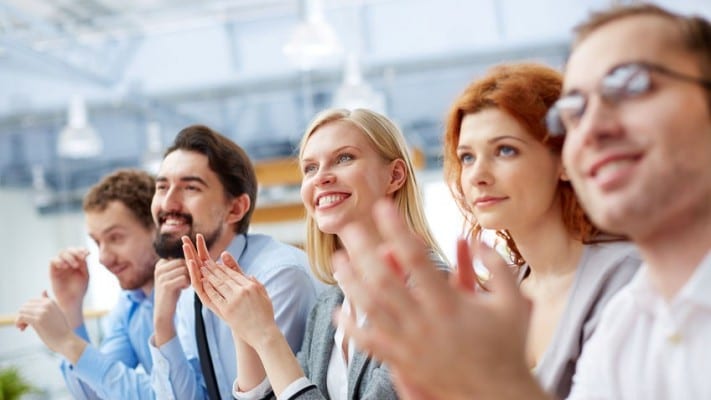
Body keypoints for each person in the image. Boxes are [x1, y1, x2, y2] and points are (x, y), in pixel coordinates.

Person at [333, 4, 711, 400]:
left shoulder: (623, 281)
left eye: (633, 86)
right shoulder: (636, 312)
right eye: (576, 110)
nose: (592, 127)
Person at [183, 108, 448, 400]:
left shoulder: (432, 289)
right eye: (310, 168)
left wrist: (266, 336)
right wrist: (242, 327)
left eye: (344, 158)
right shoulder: (329, 306)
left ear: (395, 175)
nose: (321, 177)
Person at [441, 62, 640, 398]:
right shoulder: (500, 294)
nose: (477, 175)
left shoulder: (629, 277)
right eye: (467, 157)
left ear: (566, 159)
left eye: (505, 150)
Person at [148, 125, 321, 400]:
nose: (168, 201)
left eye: (190, 187)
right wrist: (162, 325)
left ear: (236, 208)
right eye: (162, 186)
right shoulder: (184, 288)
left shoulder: (277, 277)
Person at [16, 169, 159, 399]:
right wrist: (71, 307)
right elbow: (97, 394)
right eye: (96, 242)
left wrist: (67, 342)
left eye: (116, 238)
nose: (103, 257)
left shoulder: (191, 297)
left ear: (157, 229)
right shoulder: (130, 304)